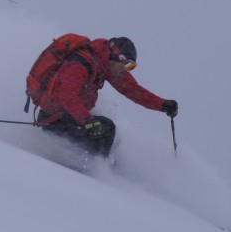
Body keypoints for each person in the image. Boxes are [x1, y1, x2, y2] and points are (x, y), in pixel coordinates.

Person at [30, 36, 178, 157]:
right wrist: (86, 120)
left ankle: (104, 166)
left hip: (69, 117)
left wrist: (163, 105)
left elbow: (133, 90)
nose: (126, 70)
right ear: (117, 56)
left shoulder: (106, 67)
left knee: (110, 135)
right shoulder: (81, 63)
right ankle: (93, 173)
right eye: (127, 65)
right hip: (54, 119)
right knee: (106, 128)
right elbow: (66, 95)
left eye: (130, 67)